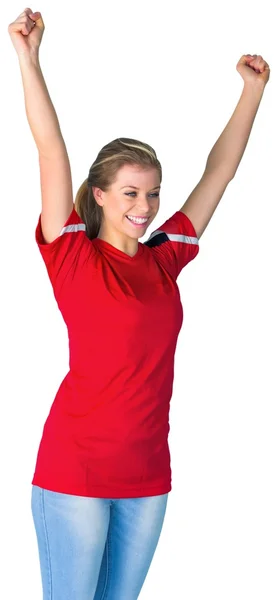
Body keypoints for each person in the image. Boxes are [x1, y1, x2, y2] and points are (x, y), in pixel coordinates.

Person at [8, 7, 270, 600]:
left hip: (149, 477)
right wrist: (29, 59)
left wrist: (251, 93)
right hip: (75, 474)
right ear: (99, 197)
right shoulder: (73, 256)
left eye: (152, 193)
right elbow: (51, 150)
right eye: (130, 193)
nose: (145, 206)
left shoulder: (164, 258)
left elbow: (220, 174)